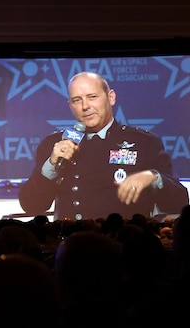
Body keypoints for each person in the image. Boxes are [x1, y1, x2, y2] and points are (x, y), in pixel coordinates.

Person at [18, 71, 187, 221]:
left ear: (111, 97)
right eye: (77, 100)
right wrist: (51, 166)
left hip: (123, 247)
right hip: (72, 247)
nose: (85, 106)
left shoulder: (144, 143)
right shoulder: (54, 145)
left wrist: (154, 178)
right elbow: (31, 206)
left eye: (92, 97)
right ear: (70, 106)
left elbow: (180, 202)